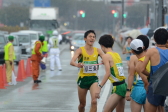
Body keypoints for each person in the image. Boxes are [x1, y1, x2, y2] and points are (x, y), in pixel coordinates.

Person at [70, 30, 104, 112]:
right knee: (82, 105)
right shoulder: (80, 50)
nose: (92, 38)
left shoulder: (98, 50)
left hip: (94, 79)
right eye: (90, 36)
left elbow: (105, 58)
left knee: (94, 101)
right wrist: (77, 64)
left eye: (94, 37)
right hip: (83, 79)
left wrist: (104, 61)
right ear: (85, 38)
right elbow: (72, 62)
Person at [136, 28, 168, 112]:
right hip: (166, 86)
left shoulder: (151, 51)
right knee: (162, 108)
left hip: (155, 86)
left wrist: (151, 75)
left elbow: (142, 69)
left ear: (154, 39)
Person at [98, 35, 127, 112]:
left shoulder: (106, 56)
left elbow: (108, 73)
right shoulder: (116, 54)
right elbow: (114, 67)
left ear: (102, 46)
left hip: (118, 87)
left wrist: (100, 86)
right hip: (123, 85)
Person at [126, 36, 150, 112]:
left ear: (132, 50)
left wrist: (128, 90)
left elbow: (131, 75)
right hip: (150, 88)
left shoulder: (133, 58)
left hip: (138, 88)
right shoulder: (151, 56)